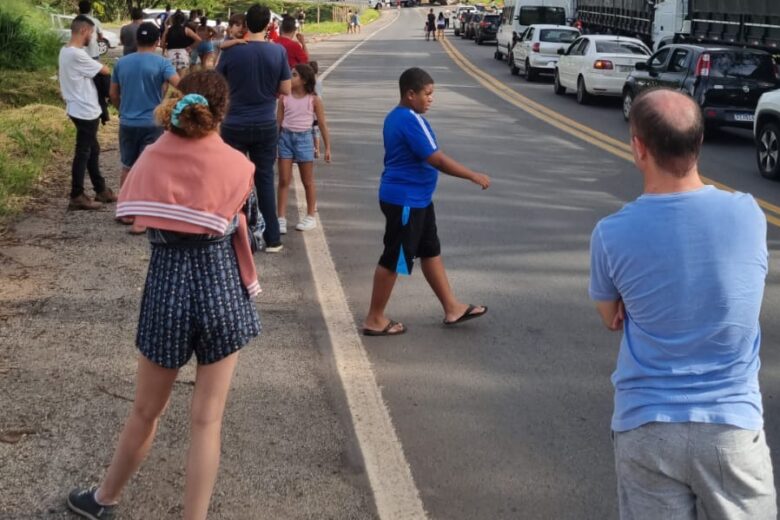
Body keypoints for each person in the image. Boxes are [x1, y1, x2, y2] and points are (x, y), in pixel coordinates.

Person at [67, 71, 261, 520]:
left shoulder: (153, 157)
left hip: (168, 290)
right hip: (222, 290)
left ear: (175, 103)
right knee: (207, 419)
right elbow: (245, 221)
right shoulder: (239, 165)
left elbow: (135, 218)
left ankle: (104, 498)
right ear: (222, 113)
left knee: (146, 410)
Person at [589, 89, 777, 519]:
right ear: (699, 141)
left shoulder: (610, 234)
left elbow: (610, 317)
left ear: (639, 147)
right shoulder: (749, 214)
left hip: (646, 426)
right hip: (732, 427)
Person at [362, 68, 490, 336]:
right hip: (405, 201)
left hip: (418, 200)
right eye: (427, 94)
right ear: (410, 95)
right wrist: (472, 175)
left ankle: (452, 307)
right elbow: (437, 159)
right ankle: (375, 319)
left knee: (430, 251)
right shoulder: (409, 119)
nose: (431, 99)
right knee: (393, 258)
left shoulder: (398, 116)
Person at [217, 4, 291, 253]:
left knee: (233, 180)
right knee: (265, 179)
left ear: (246, 25)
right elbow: (286, 90)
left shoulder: (232, 53)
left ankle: (231, 234)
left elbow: (217, 84)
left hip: (234, 123)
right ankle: (272, 238)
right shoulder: (277, 52)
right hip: (264, 122)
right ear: (270, 25)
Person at [110, 22, 180, 234]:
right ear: (157, 41)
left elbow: (113, 94)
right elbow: (181, 84)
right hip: (152, 123)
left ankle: (124, 210)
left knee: (128, 166)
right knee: (148, 170)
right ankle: (141, 219)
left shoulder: (121, 63)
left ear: (136, 40)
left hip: (127, 121)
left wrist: (122, 109)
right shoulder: (162, 63)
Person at [58, 15, 116, 211]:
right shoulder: (77, 54)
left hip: (78, 107)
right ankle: (76, 194)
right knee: (83, 152)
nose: (91, 36)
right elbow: (105, 70)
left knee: (93, 149)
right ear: (83, 31)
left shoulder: (65, 51)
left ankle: (101, 189)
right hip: (85, 109)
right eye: (91, 32)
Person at [276, 64, 331, 234]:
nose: (290, 78)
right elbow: (278, 122)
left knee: (307, 181)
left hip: (304, 140)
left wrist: (327, 147)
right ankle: (281, 218)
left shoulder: (313, 100)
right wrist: (273, 144)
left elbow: (322, 124)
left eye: (294, 75)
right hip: (285, 138)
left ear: (304, 80)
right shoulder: (284, 98)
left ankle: (310, 216)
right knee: (284, 180)